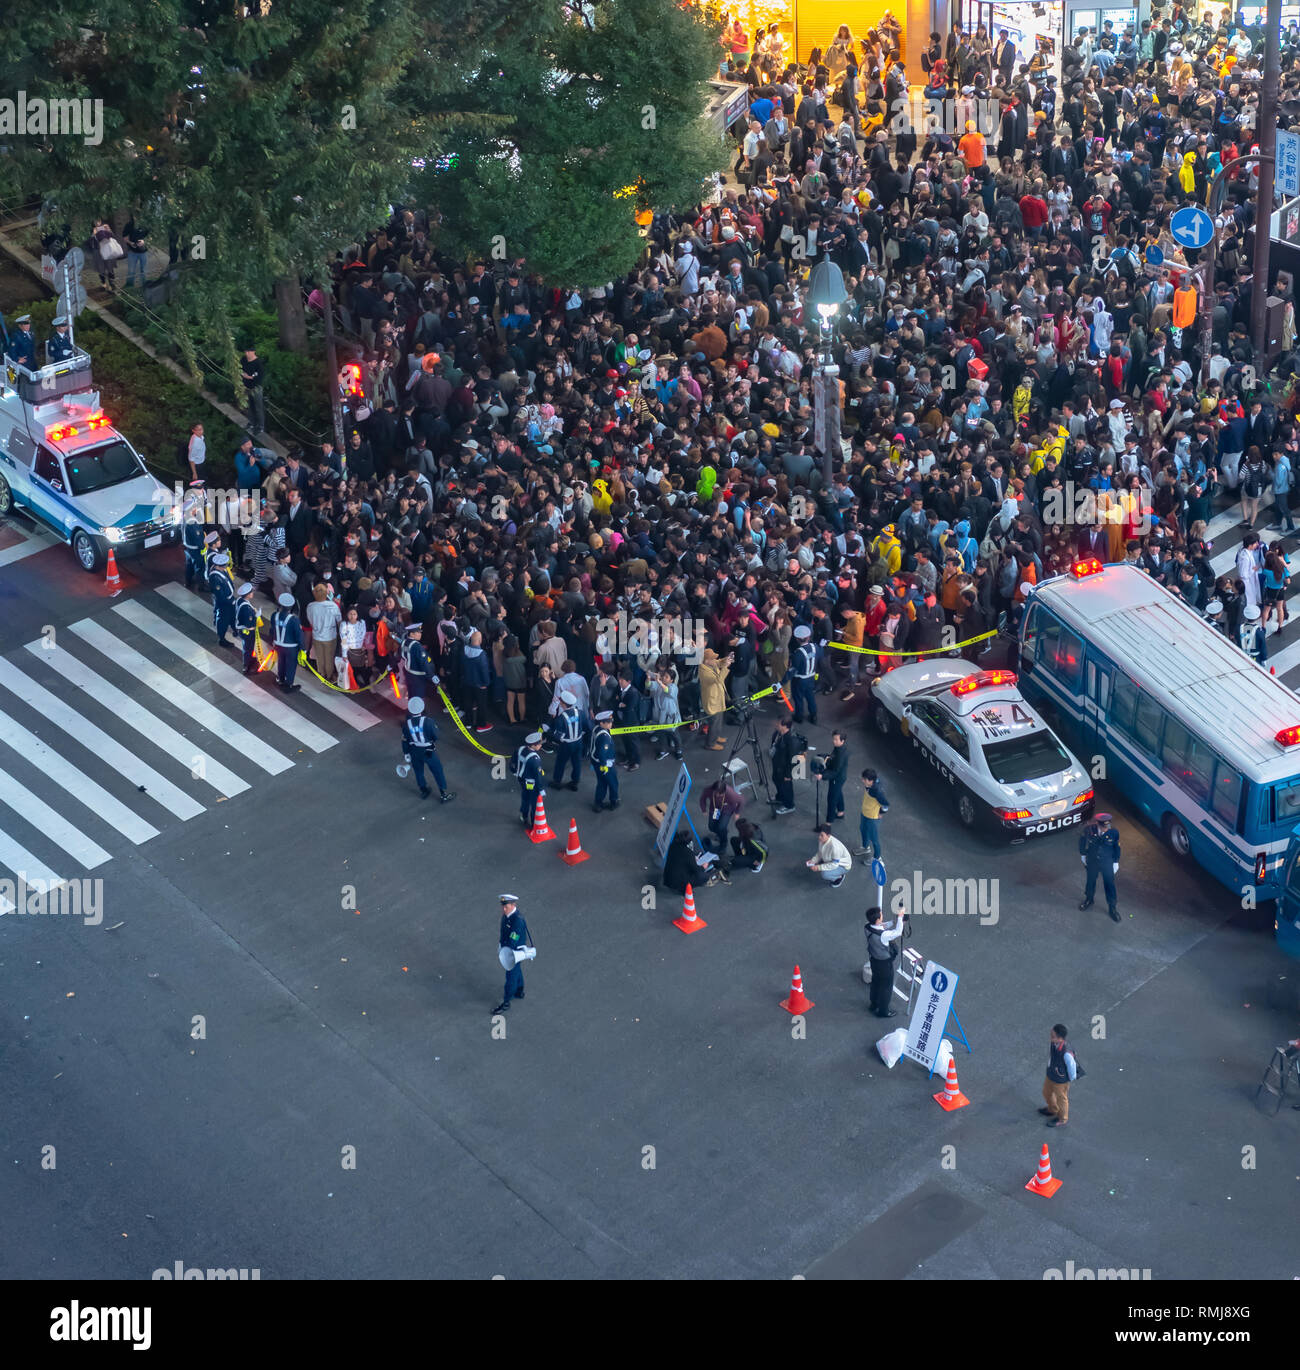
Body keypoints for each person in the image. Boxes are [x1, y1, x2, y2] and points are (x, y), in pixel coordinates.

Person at [400, 696, 454, 802]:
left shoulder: (406, 724)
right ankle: (443, 793)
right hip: (428, 751)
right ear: (422, 708)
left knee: (418, 771)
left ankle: (423, 790)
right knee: (437, 770)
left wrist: (406, 752)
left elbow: (404, 739)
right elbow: (436, 736)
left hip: (414, 750)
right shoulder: (428, 721)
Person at [493, 894, 535, 1015]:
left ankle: (506, 1002)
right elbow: (504, 932)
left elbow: (513, 939)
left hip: (514, 952)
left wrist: (505, 951)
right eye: (503, 906)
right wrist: (501, 944)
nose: (504, 909)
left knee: (510, 976)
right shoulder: (508, 916)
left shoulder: (517, 921)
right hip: (510, 949)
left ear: (513, 905)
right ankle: (519, 991)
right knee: (517, 970)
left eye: (506, 906)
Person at [1079, 811, 1121, 922]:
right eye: (1103, 826)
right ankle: (1089, 899)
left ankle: (1112, 908)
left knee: (1109, 885)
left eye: (1107, 826)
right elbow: (1082, 841)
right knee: (1090, 881)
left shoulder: (1114, 832)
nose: (1105, 829)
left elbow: (1117, 847)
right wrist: (1083, 854)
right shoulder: (1089, 829)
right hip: (1093, 860)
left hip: (1107, 862)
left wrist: (1116, 861)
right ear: (1097, 823)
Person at [866, 906, 906, 1016]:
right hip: (884, 964)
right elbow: (898, 932)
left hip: (874, 960)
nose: (882, 915)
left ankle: (873, 1005)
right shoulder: (884, 935)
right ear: (878, 919)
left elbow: (881, 927)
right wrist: (900, 917)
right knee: (886, 987)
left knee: (875, 982)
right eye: (881, 914)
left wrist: (895, 921)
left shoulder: (867, 927)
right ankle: (883, 1011)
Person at [1039, 1022, 1081, 1128]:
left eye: (1053, 1036)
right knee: (1046, 1092)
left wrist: (1071, 1078)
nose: (1050, 1038)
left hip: (1061, 1080)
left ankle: (1062, 1118)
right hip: (1051, 1074)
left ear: (1060, 1039)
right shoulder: (1054, 1044)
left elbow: (1072, 1066)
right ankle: (1053, 1109)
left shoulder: (1067, 1053)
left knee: (1061, 1099)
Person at [548, 690, 588, 791]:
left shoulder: (561, 718)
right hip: (578, 742)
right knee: (577, 762)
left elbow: (557, 735)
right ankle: (575, 782)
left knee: (561, 762)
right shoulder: (580, 713)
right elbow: (587, 727)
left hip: (566, 744)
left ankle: (557, 782)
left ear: (562, 703)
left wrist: (548, 731)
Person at [699, 774, 743, 858]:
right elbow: (702, 799)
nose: (717, 796)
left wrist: (737, 813)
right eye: (716, 793)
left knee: (721, 827)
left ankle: (724, 843)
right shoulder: (709, 790)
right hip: (715, 809)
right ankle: (721, 833)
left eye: (720, 794)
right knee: (712, 826)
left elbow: (741, 801)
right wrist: (703, 809)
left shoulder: (731, 794)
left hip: (727, 810)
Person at [271, 591, 303, 692]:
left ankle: (280, 679)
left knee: (281, 662)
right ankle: (288, 684)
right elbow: (299, 635)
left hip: (278, 644)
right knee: (290, 665)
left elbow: (272, 629)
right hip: (291, 647)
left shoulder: (274, 615)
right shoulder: (294, 619)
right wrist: (303, 648)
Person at [589, 710, 620, 812]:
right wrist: (604, 766)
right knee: (613, 783)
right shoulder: (604, 737)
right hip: (605, 764)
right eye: (608, 722)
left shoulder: (596, 729)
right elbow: (602, 753)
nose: (611, 724)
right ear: (602, 723)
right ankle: (614, 801)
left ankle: (598, 803)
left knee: (602, 783)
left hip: (596, 762)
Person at [787, 623, 818, 724]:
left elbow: (792, 670)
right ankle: (814, 716)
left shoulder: (798, 654)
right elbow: (822, 654)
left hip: (799, 680)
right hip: (811, 678)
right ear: (808, 637)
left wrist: (781, 682)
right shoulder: (815, 647)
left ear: (797, 639)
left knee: (798, 698)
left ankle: (799, 716)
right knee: (810, 697)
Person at [806, 823, 853, 888]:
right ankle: (835, 872)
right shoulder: (822, 840)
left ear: (828, 835)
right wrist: (813, 861)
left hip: (843, 866)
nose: (819, 837)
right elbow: (820, 853)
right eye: (819, 834)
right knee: (822, 863)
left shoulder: (835, 848)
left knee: (825, 874)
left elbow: (834, 864)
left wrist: (819, 867)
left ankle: (839, 878)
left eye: (822, 835)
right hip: (832, 860)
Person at [515, 731, 545, 827]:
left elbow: (513, 763)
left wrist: (515, 772)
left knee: (525, 798)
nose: (541, 745)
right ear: (534, 745)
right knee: (534, 802)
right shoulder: (535, 759)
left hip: (521, 779)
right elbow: (537, 775)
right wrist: (540, 789)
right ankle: (533, 823)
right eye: (539, 744)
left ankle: (523, 816)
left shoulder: (520, 749)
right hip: (531, 783)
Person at [770, 715, 799, 815]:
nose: (776, 724)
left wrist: (788, 775)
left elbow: (793, 759)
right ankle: (780, 797)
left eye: (779, 723)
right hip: (778, 765)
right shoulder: (778, 734)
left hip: (785, 769)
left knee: (786, 786)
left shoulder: (791, 740)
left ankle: (789, 805)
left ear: (785, 726)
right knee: (776, 780)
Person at [181, 481, 206, 591]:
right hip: (194, 548)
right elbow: (198, 538)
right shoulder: (192, 521)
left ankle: (188, 581)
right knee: (200, 566)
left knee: (189, 565)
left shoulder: (186, 517)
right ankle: (201, 586)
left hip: (188, 546)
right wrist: (204, 548)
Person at [858, 768, 889, 860]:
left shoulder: (877, 791)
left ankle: (877, 858)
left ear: (871, 781)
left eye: (864, 779)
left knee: (874, 838)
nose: (862, 780)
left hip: (873, 817)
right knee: (863, 829)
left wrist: (881, 813)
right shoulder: (869, 785)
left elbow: (886, 805)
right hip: (865, 812)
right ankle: (865, 847)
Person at [208, 551, 236, 648]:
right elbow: (221, 596)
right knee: (223, 620)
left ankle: (235, 629)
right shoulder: (215, 577)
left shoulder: (221, 570)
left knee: (233, 616)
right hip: (224, 603)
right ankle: (222, 639)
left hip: (230, 599)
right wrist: (231, 601)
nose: (226, 568)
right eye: (224, 566)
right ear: (219, 566)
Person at [399, 619, 432, 702]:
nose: (420, 634)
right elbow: (424, 663)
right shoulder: (417, 646)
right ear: (412, 634)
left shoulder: (404, 642)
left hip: (408, 674)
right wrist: (432, 676)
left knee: (411, 696)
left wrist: (390, 666)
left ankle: (412, 713)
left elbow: (399, 656)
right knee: (419, 698)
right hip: (418, 677)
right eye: (418, 632)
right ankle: (418, 714)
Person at [822, 730, 849, 820]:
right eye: (834, 739)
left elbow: (835, 771)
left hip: (836, 778)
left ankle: (829, 820)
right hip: (840, 778)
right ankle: (840, 812)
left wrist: (823, 776)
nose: (834, 741)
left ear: (842, 741)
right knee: (838, 793)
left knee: (832, 798)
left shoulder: (840, 753)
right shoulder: (840, 748)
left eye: (836, 740)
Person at [234, 582, 260, 675]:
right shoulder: (246, 608)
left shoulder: (240, 600)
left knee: (248, 648)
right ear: (248, 595)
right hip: (247, 631)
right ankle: (247, 667)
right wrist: (256, 616)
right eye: (251, 592)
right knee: (248, 648)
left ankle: (248, 661)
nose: (253, 593)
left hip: (241, 628)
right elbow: (249, 624)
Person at [241, 346, 266, 436]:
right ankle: (252, 423)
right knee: (250, 406)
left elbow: (259, 377)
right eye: (246, 352)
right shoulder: (244, 359)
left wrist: (250, 377)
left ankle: (260, 426)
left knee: (258, 408)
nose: (247, 354)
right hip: (246, 386)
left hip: (256, 388)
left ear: (253, 352)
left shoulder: (258, 363)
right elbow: (240, 368)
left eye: (249, 352)